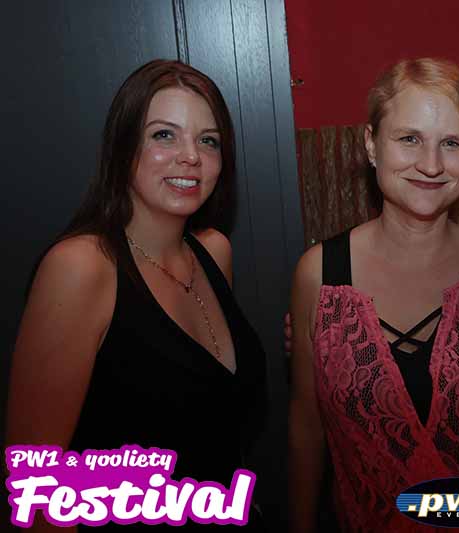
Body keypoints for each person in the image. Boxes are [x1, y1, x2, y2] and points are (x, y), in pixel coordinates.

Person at [288, 58, 459, 532]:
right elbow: (306, 431)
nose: (431, 165)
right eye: (409, 139)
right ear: (372, 144)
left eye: (451, 143)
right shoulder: (321, 276)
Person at [6, 60, 267, 531]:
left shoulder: (214, 252)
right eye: (164, 135)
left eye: (208, 141)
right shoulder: (82, 267)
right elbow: (36, 490)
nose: (191, 157)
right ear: (123, 147)